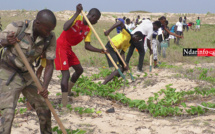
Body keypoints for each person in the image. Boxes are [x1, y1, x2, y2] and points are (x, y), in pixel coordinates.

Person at [0, 9, 56, 134]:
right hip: (8, 72)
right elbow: (0, 42)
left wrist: (44, 87)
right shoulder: (17, 27)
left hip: (28, 74)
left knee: (45, 108)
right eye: (47, 30)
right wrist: (6, 42)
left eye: (51, 30)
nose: (49, 33)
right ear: (37, 23)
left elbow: (49, 64)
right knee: (7, 114)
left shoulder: (50, 37)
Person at [54, 4, 107, 107]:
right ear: (92, 17)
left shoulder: (88, 29)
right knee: (66, 74)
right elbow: (65, 27)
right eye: (96, 19)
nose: (96, 22)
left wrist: (100, 50)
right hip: (60, 46)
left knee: (79, 70)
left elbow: (87, 46)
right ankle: (64, 103)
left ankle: (68, 91)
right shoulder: (78, 18)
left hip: (69, 48)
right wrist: (77, 12)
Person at [103, 20, 143, 84]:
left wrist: (124, 63)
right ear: (135, 36)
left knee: (123, 68)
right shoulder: (127, 33)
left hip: (115, 50)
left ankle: (114, 82)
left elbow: (122, 53)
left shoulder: (129, 43)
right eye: (137, 39)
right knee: (119, 69)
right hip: (110, 48)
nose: (136, 41)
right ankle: (104, 83)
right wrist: (109, 31)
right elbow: (120, 22)